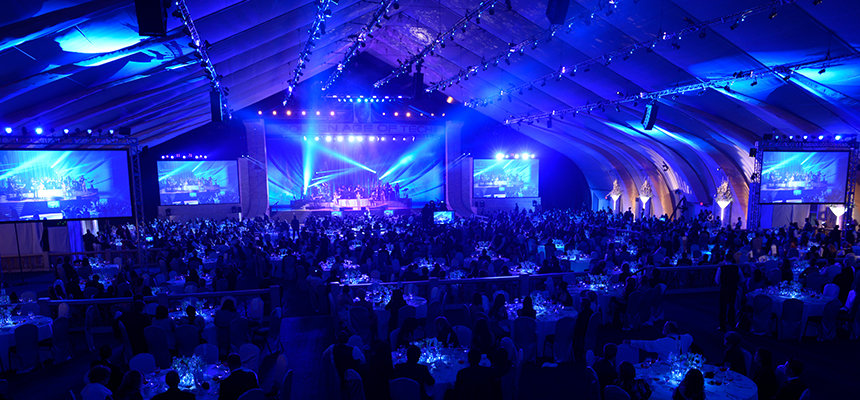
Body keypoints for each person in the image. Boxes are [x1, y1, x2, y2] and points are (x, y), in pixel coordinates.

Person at [628, 321, 693, 359]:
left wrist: (631, 342)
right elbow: (690, 339)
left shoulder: (663, 342)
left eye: (664, 327)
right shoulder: (686, 337)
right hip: (683, 367)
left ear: (667, 330)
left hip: (667, 370)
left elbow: (647, 344)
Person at [716, 263, 742, 331]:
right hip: (733, 289)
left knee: (723, 308)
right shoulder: (737, 268)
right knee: (732, 306)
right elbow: (742, 279)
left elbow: (717, 280)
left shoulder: (721, 268)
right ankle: (732, 323)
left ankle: (722, 325)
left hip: (724, 289)